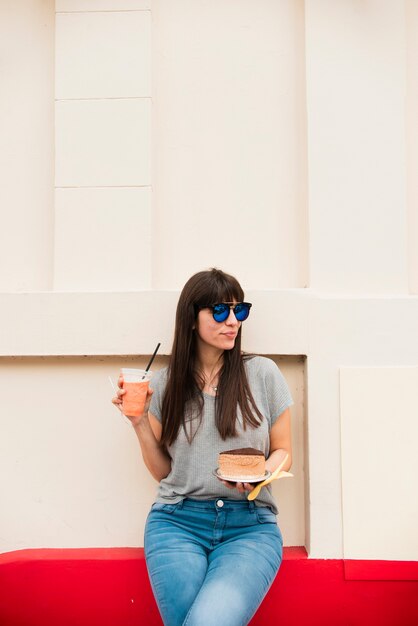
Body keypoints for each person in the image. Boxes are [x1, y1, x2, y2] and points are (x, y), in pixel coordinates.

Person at [112, 268, 293, 626]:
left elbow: (283, 450)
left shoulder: (263, 374)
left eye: (239, 311)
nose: (232, 321)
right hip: (177, 521)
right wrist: (138, 422)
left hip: (250, 525)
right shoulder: (166, 383)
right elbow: (164, 471)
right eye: (220, 311)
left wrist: (259, 476)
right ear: (192, 319)